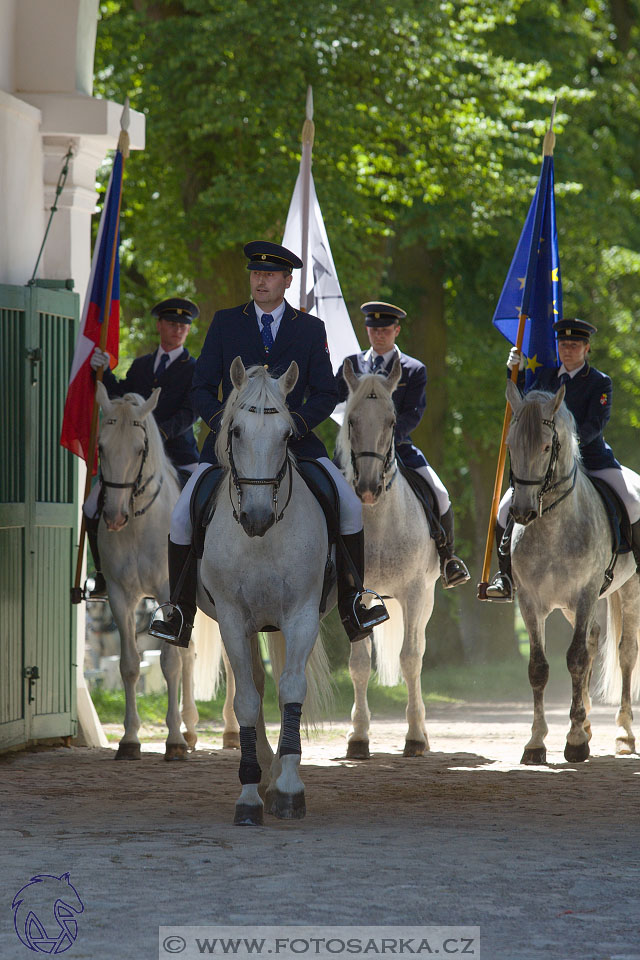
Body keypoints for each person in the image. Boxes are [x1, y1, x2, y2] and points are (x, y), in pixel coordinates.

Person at [148, 241, 389, 648]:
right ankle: (179, 612)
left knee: (349, 507)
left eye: (270, 274)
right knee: (179, 520)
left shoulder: (310, 328)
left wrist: (294, 423)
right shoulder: (226, 323)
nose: (261, 280)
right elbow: (202, 387)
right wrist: (224, 426)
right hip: (231, 446)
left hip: (296, 441)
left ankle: (354, 602)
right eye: (256, 273)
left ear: (287, 281)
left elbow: (326, 393)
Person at [486, 317, 640, 601]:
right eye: (563, 344)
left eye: (575, 344)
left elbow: (597, 422)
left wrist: (569, 445)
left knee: (632, 500)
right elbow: (521, 401)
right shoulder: (544, 376)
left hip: (591, 459)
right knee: (505, 507)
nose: (568, 349)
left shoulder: (599, 382)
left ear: (586, 348)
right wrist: (513, 371)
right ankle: (505, 577)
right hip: (544, 467)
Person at [335, 301, 470, 589]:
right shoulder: (351, 366)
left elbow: (414, 413)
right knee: (325, 491)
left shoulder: (412, 369)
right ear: (367, 330)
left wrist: (387, 442)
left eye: (385, 330)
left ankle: (448, 559)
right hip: (356, 453)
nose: (379, 335)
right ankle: (327, 558)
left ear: (396, 330)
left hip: (398, 447)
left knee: (441, 493)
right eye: (373, 329)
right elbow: (329, 397)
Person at [85, 297, 200, 597]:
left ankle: (198, 573)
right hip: (133, 459)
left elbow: (192, 411)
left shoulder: (194, 369)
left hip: (179, 455)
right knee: (90, 505)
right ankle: (102, 574)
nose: (178, 330)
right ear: (160, 325)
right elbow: (120, 395)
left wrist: (159, 433)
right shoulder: (141, 366)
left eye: (183, 326)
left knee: (201, 505)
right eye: (173, 324)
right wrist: (101, 372)